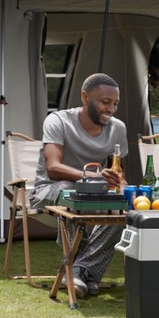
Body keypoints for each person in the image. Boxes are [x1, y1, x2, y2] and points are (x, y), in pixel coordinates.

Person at [29, 73, 128, 298]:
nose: (111, 109)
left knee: (123, 205)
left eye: (115, 104)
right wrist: (93, 177)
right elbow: (53, 167)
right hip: (49, 190)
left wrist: (119, 185)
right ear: (85, 97)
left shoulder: (118, 129)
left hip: (92, 194)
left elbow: (117, 172)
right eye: (105, 102)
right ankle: (85, 273)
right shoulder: (58, 121)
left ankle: (79, 272)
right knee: (73, 191)